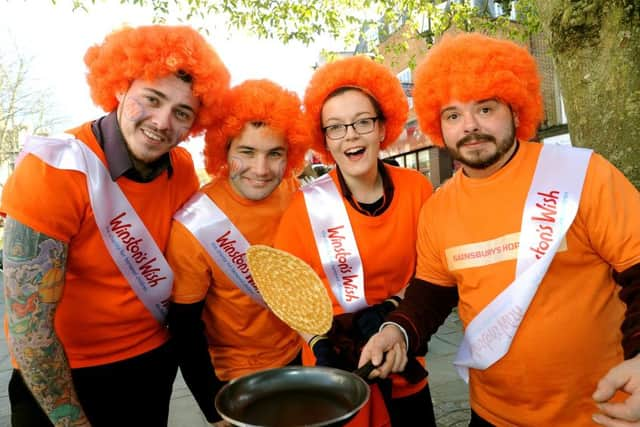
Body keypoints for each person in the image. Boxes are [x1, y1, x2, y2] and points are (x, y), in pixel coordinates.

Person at [358, 32, 640, 426]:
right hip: (490, 415)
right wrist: (398, 331)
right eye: (453, 115)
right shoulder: (439, 208)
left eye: (485, 109)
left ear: (514, 107)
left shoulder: (583, 175)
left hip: (599, 411)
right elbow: (433, 293)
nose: (469, 126)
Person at [1, 25, 230, 427]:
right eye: (152, 99)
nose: (162, 121)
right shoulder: (53, 169)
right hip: (61, 380)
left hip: (152, 368)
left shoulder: (182, 170)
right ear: (121, 87)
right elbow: (29, 331)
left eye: (182, 113)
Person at [273, 55, 435, 427]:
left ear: (382, 128)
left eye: (362, 122)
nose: (350, 135)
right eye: (335, 127)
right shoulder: (304, 207)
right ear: (325, 140)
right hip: (334, 369)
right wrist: (319, 344)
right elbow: (288, 293)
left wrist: (396, 318)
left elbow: (433, 270)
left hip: (398, 355)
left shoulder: (417, 189)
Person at [165, 79, 309, 425]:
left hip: (299, 357)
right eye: (246, 152)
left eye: (275, 154)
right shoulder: (195, 224)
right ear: (224, 151)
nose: (261, 170)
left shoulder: (296, 194)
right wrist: (213, 410)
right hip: (234, 378)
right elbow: (184, 329)